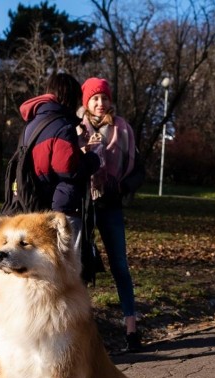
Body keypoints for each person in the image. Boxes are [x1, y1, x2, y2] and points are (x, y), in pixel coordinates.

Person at [77, 77, 141, 352]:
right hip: (83, 207)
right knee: (80, 269)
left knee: (120, 267)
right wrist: (85, 151)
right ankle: (81, 336)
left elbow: (139, 169)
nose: (100, 103)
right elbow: (69, 164)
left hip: (111, 206)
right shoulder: (76, 128)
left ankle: (132, 330)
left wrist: (122, 186)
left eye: (104, 97)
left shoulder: (123, 128)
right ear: (86, 102)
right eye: (94, 98)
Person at [18, 72, 101, 249]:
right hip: (62, 206)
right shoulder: (62, 125)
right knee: (68, 265)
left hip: (32, 203)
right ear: (70, 97)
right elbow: (68, 169)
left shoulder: (33, 123)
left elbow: (47, 160)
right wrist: (93, 160)